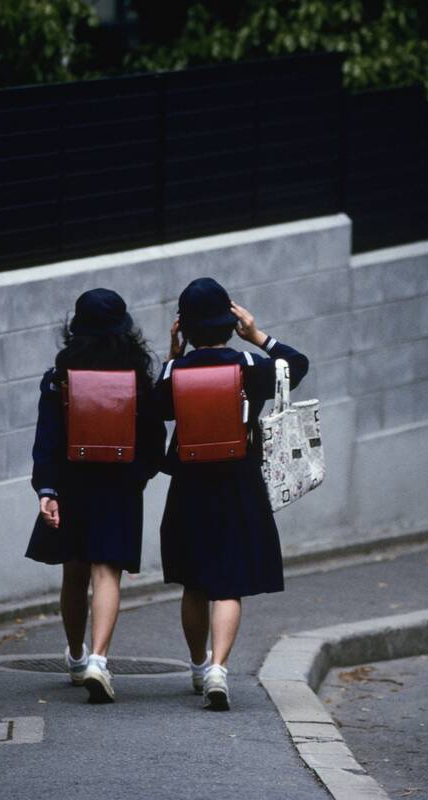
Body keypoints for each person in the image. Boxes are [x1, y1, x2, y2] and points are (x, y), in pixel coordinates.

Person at [154, 277, 309, 711]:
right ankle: (221, 668)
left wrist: (173, 354)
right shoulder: (250, 366)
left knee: (194, 582)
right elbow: (297, 364)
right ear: (229, 321)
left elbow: (154, 407)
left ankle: (199, 665)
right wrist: (257, 334)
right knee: (228, 583)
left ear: (183, 327)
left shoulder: (173, 373)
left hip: (188, 486)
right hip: (239, 483)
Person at [26, 288, 166, 703]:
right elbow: (154, 439)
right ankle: (99, 660)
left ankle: (73, 655)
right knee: (108, 573)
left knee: (74, 572)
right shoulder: (138, 380)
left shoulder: (59, 379)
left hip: (71, 481)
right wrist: (137, 477)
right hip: (119, 483)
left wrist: (47, 490)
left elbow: (46, 438)